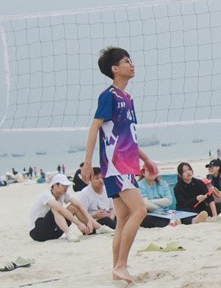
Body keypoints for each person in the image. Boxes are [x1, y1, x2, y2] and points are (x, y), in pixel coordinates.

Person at [81, 47, 158, 284]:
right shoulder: (109, 96)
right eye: (126, 61)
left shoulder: (128, 99)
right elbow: (94, 129)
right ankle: (122, 265)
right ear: (115, 69)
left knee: (123, 218)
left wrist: (146, 159)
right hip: (116, 165)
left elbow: (129, 137)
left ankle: (117, 269)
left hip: (127, 165)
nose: (132, 64)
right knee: (140, 211)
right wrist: (88, 162)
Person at [29, 174, 96, 242]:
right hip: (38, 232)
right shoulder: (46, 194)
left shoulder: (63, 194)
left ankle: (95, 227)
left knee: (73, 207)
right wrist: (79, 224)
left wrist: (89, 221)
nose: (66, 188)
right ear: (55, 185)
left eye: (67, 186)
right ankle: (69, 233)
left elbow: (79, 204)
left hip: (54, 232)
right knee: (56, 208)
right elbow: (60, 209)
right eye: (63, 186)